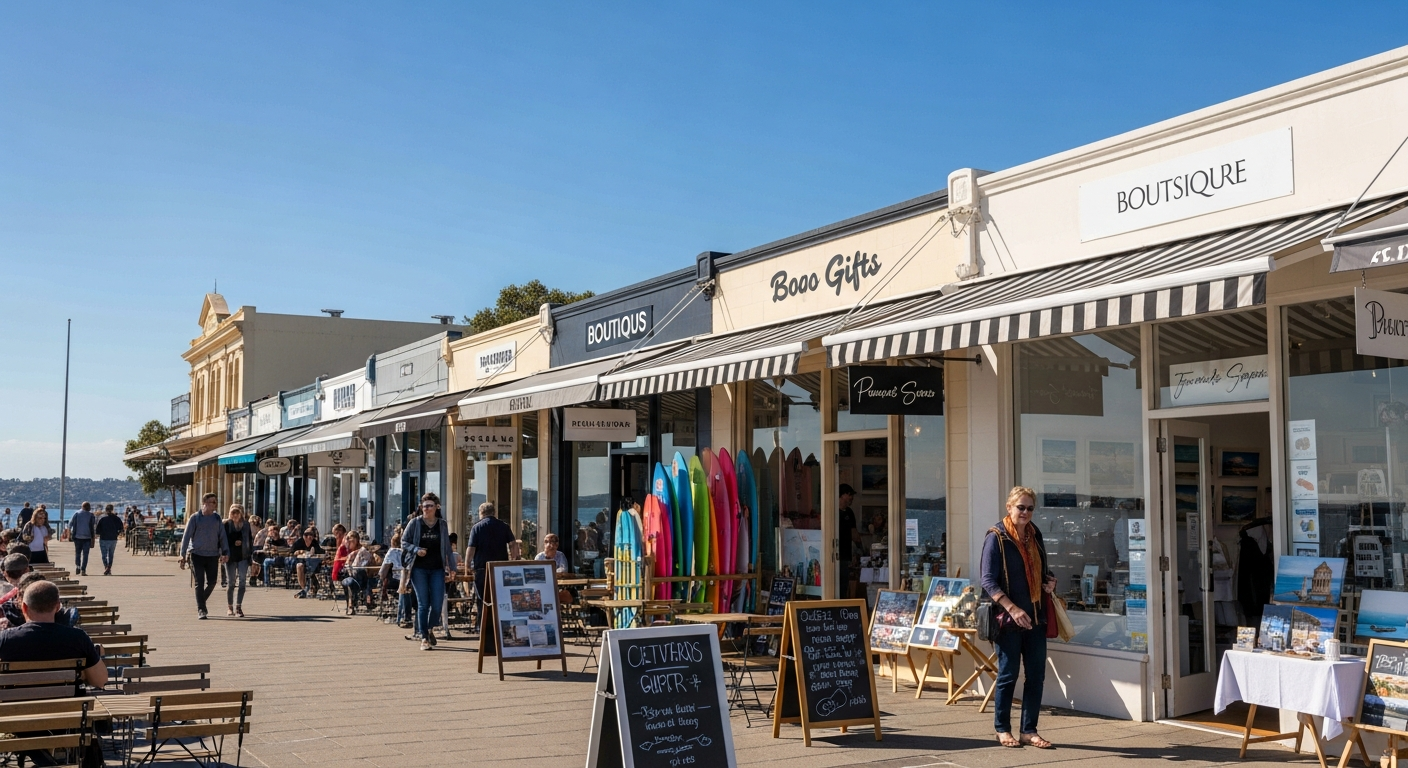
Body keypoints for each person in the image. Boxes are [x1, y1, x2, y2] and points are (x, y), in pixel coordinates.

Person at [981, 486, 1057, 750]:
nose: (1025, 513)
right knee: (1008, 675)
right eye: (1020, 507)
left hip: (1035, 617)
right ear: (1009, 507)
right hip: (1008, 620)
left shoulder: (1034, 535)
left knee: (1036, 676)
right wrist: (1012, 608)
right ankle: (1002, 729)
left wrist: (1049, 582)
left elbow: (1043, 570)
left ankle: (1029, 730)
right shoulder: (997, 537)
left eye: (1030, 508)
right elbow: (988, 581)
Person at [0, 582, 106, 689]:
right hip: (68, 704)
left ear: (24, 607)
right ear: (57, 606)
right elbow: (100, 681)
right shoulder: (78, 637)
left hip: (17, 704)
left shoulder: (5, 639)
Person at [402, 493, 454, 650]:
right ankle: (424, 637)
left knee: (437, 604)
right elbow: (403, 542)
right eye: (424, 506)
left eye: (430, 506)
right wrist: (416, 549)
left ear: (436, 507)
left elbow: (448, 550)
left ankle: (430, 628)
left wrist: (453, 569)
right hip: (419, 569)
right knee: (423, 604)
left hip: (437, 568)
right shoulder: (415, 523)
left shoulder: (442, 525)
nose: (427, 509)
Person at [179, 493, 229, 620]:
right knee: (199, 582)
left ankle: (201, 601)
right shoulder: (195, 518)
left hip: (212, 555)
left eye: (216, 502)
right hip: (197, 554)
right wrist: (182, 555)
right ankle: (201, 609)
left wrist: (225, 552)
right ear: (205, 503)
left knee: (212, 582)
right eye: (213, 502)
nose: (215, 505)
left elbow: (222, 537)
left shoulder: (217, 519)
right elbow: (186, 537)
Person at [467, 501, 521, 607]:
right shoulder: (504, 526)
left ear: (481, 513)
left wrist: (467, 565)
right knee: (501, 598)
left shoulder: (477, 527)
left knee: (482, 600)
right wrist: (515, 560)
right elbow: (513, 544)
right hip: (500, 568)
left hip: (482, 568)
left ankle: (482, 623)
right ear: (494, 512)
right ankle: (499, 622)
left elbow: (471, 548)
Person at [224, 505, 253, 618]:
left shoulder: (246, 525)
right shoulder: (226, 524)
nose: (235, 515)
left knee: (242, 582)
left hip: (243, 556)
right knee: (231, 582)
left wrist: (250, 556)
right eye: (233, 512)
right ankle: (230, 607)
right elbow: (222, 539)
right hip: (230, 557)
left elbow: (249, 540)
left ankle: (238, 607)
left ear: (241, 513)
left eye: (237, 512)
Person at [379, 533, 411, 626]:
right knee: (406, 589)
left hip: (395, 581)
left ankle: (401, 616)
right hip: (410, 580)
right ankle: (406, 616)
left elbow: (383, 571)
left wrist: (381, 577)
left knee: (399, 586)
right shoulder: (409, 551)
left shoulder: (392, 551)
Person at [339, 532, 374, 613]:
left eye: (351, 541)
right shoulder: (350, 552)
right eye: (348, 541)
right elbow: (346, 565)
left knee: (362, 574)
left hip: (363, 578)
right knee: (353, 578)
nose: (348, 543)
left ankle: (358, 602)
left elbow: (370, 564)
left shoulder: (363, 551)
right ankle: (355, 602)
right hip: (352, 576)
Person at [837, 484, 859, 599]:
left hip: (846, 555)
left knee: (843, 585)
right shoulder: (831, 511)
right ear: (842, 495)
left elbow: (854, 533)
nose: (851, 498)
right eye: (849, 495)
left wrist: (860, 549)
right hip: (833, 555)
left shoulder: (849, 513)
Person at [290, 530, 324, 598]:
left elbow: (320, 551)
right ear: (304, 536)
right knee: (299, 566)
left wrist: (316, 551)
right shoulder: (299, 542)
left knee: (314, 567)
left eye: (311, 535)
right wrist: (298, 552)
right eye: (308, 535)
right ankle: (304, 589)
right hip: (300, 562)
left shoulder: (314, 542)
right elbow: (292, 552)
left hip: (312, 562)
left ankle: (312, 587)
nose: (310, 537)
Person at [95, 504, 123, 575]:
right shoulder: (117, 519)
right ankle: (109, 567)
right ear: (112, 509)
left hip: (103, 538)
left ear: (106, 510)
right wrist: (117, 533)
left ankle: (106, 567)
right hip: (113, 538)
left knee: (104, 554)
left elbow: (97, 530)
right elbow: (121, 528)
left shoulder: (102, 519)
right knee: (111, 554)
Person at [69, 502, 96, 576]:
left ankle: (78, 566)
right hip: (87, 538)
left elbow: (70, 524)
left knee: (78, 553)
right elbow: (93, 527)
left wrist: (70, 534)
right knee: (85, 554)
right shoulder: (91, 515)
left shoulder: (76, 514)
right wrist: (93, 539)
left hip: (77, 537)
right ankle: (83, 569)